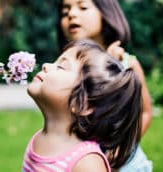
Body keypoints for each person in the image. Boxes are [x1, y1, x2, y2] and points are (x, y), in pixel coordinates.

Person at [57, 0, 153, 171]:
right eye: (65, 12)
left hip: (124, 165)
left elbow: (145, 112)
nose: (71, 14)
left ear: (107, 14)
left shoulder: (126, 65)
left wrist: (120, 149)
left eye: (83, 7)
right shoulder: (68, 69)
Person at [22, 40, 142, 171]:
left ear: (83, 105)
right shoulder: (38, 139)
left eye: (61, 67)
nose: (45, 65)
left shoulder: (87, 163)